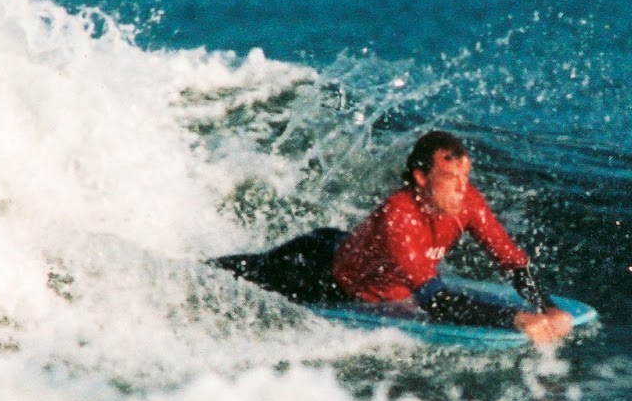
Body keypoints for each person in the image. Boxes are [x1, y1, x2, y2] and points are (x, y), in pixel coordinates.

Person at [211, 131, 574, 346]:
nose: (462, 190)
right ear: (421, 177)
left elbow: (510, 260)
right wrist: (515, 318)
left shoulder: (467, 202)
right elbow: (437, 302)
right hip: (317, 271)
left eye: (466, 177)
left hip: (351, 249)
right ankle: (186, 266)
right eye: (450, 178)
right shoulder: (399, 216)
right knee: (235, 273)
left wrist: (545, 304)